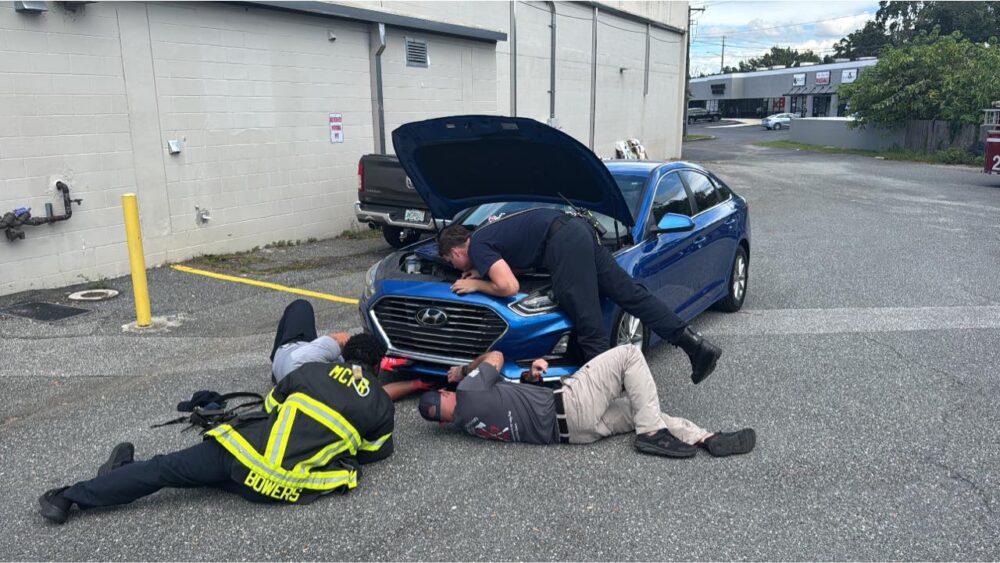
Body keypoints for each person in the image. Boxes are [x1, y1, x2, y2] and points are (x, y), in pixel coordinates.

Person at [38, 333, 396, 524]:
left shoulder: (308, 373)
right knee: (180, 474)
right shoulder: (381, 404)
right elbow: (372, 455)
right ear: (377, 365)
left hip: (242, 462)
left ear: (343, 354)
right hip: (284, 489)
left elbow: (270, 408)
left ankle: (67, 498)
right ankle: (121, 471)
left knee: (165, 470)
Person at [436, 210, 722, 384]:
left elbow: (509, 286)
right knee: (631, 295)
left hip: (563, 244)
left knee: (588, 325)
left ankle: (606, 396)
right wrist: (480, 271)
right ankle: (695, 345)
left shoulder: (480, 246)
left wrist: (478, 286)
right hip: (577, 230)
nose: (455, 268)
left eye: (452, 262)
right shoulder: (487, 233)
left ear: (458, 251)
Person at [419, 345, 755, 458]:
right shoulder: (466, 391)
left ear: (443, 422)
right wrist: (463, 370)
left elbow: (509, 399)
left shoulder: (466, 426)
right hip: (572, 404)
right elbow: (496, 356)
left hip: (577, 434)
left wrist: (532, 378)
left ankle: (706, 438)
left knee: (643, 409)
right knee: (629, 355)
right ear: (447, 394)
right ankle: (652, 435)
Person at [269, 299, 434, 400]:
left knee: (301, 306)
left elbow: (341, 338)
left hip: (288, 353)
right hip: (290, 370)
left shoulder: (326, 353)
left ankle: (273, 361)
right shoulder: (352, 382)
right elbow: (379, 394)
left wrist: (348, 342)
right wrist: (415, 384)